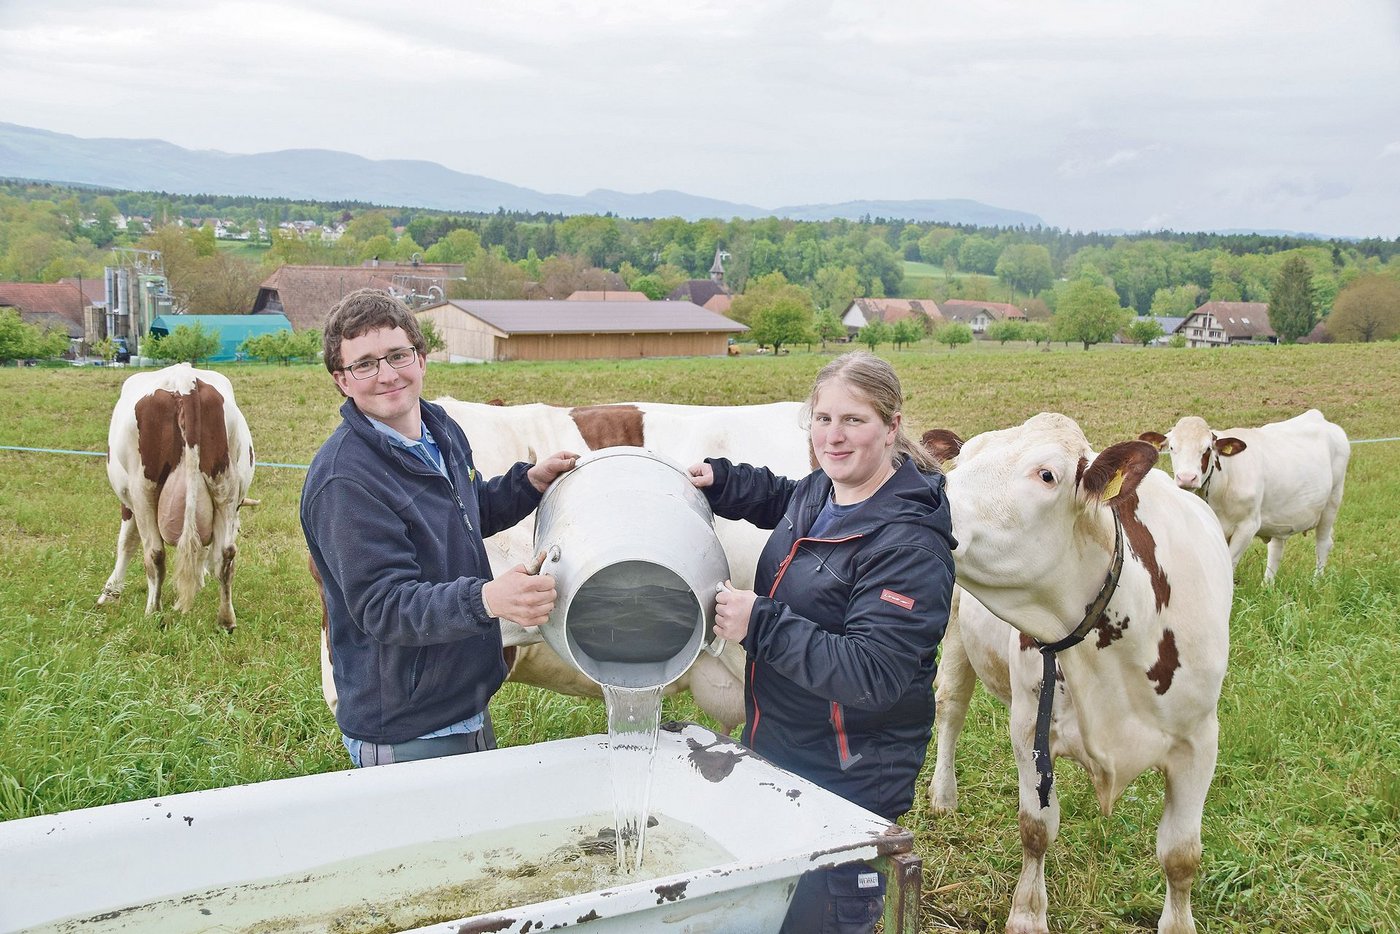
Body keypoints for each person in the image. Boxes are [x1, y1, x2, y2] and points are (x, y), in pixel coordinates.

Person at [687, 351, 955, 934]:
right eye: (823, 418)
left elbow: (873, 675)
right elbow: (789, 499)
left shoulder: (908, 547)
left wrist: (760, 624)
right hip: (786, 752)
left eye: (853, 420)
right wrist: (728, 483)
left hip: (846, 781)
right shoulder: (825, 490)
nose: (833, 436)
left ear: (892, 426)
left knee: (820, 918)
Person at [301, 288, 577, 768]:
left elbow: (462, 511)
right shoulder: (345, 482)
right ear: (341, 380)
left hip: (462, 699)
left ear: (421, 358)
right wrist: (486, 599)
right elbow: (384, 606)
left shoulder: (438, 429)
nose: (388, 374)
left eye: (398, 355)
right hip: (408, 725)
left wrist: (528, 483)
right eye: (364, 364)